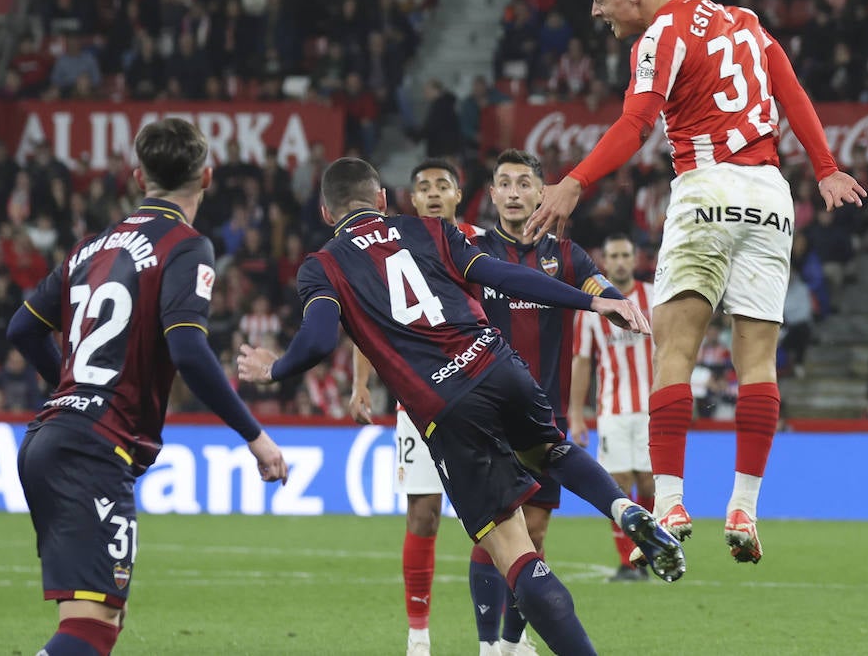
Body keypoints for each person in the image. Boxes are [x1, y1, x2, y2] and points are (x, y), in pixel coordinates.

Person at [237, 158, 684, 656]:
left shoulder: (323, 264)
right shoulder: (431, 230)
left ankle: (500, 646)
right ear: (383, 199)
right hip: (498, 363)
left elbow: (319, 340)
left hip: (447, 405)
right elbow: (503, 274)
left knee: (514, 552)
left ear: (325, 211)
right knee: (551, 449)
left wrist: (273, 369)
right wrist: (594, 303)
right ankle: (623, 510)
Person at [523, 0, 866, 563]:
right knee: (757, 363)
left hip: (706, 189)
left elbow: (636, 122)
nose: (595, 12)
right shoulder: (743, 20)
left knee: (673, 354)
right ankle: (744, 507)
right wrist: (824, 166)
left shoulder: (661, 35)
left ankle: (672, 500)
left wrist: (574, 183)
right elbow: (790, 90)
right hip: (770, 196)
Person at [8, 119, 289, 656]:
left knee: (103, 617)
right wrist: (256, 436)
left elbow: (22, 328)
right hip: (90, 448)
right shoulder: (186, 246)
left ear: (139, 176)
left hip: (51, 437)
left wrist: (74, 386)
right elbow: (188, 349)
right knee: (90, 627)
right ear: (207, 176)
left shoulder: (90, 248)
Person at [467, 149, 630, 654]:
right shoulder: (473, 251)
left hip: (546, 417)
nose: (514, 193)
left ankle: (514, 644)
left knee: (534, 533)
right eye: (504, 184)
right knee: (495, 532)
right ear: (492, 194)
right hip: (488, 414)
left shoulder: (566, 254)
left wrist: (615, 300)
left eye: (524, 184)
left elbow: (597, 284)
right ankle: (488, 643)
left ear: (542, 193)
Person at [346, 158, 482, 656]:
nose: (431, 193)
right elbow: (369, 319)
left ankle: (501, 637)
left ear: (457, 196)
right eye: (422, 186)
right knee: (423, 514)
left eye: (442, 185)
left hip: (480, 395)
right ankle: (418, 635)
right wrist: (362, 383)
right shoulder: (388, 247)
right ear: (409, 198)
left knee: (497, 514)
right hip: (417, 399)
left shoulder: (480, 243)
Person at [568, 233, 656, 581]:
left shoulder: (653, 298)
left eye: (625, 255)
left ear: (635, 260)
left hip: (651, 409)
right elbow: (582, 361)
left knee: (648, 484)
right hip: (612, 410)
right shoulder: (594, 306)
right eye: (613, 255)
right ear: (604, 261)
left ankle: (647, 550)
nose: (620, 261)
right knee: (618, 483)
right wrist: (577, 413)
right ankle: (627, 562)